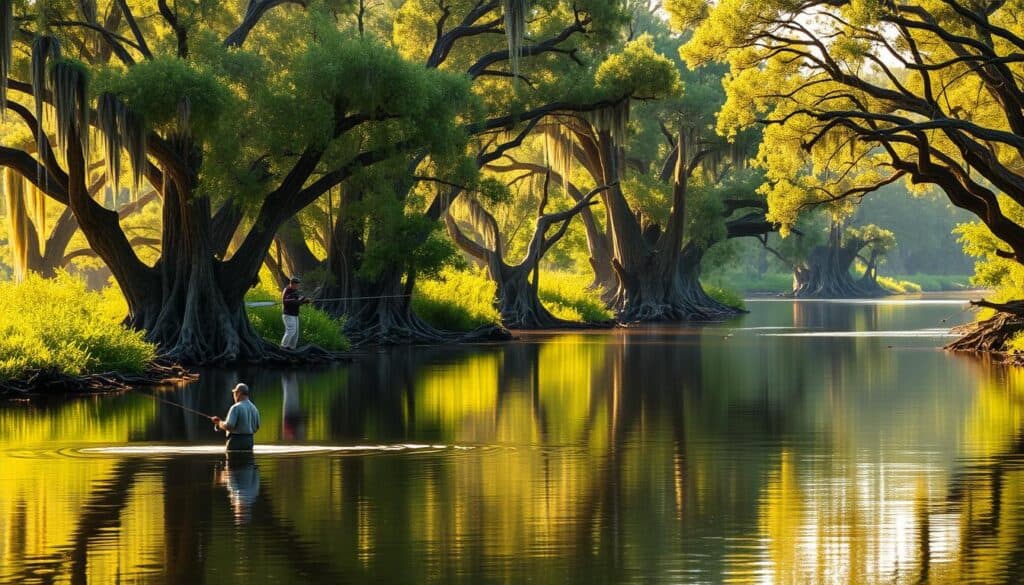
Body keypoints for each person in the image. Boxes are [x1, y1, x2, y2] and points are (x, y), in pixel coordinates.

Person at [212, 383, 261, 451]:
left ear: (239, 393)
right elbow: (257, 427)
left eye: (234, 393)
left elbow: (229, 426)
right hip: (249, 442)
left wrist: (219, 423)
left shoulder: (236, 407)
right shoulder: (254, 408)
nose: (234, 396)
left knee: (233, 461)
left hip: (235, 442)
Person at [281, 276, 311, 349]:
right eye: (297, 285)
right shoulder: (287, 290)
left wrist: (305, 301)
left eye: (298, 285)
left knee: (296, 333)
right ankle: (283, 346)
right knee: (291, 331)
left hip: (294, 315)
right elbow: (286, 301)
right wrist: (301, 301)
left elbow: (297, 302)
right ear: (292, 284)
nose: (298, 286)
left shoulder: (294, 291)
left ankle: (291, 348)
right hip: (288, 315)